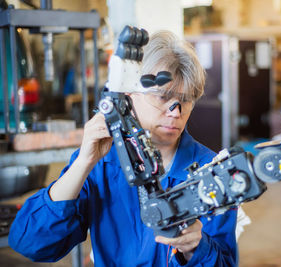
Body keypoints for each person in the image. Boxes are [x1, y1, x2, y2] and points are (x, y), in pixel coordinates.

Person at [8, 30, 238, 266]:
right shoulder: (102, 164)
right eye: (162, 97)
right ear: (128, 96)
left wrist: (196, 249)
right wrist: (83, 164)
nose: (176, 112)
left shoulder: (212, 172)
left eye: (185, 100)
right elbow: (31, 243)